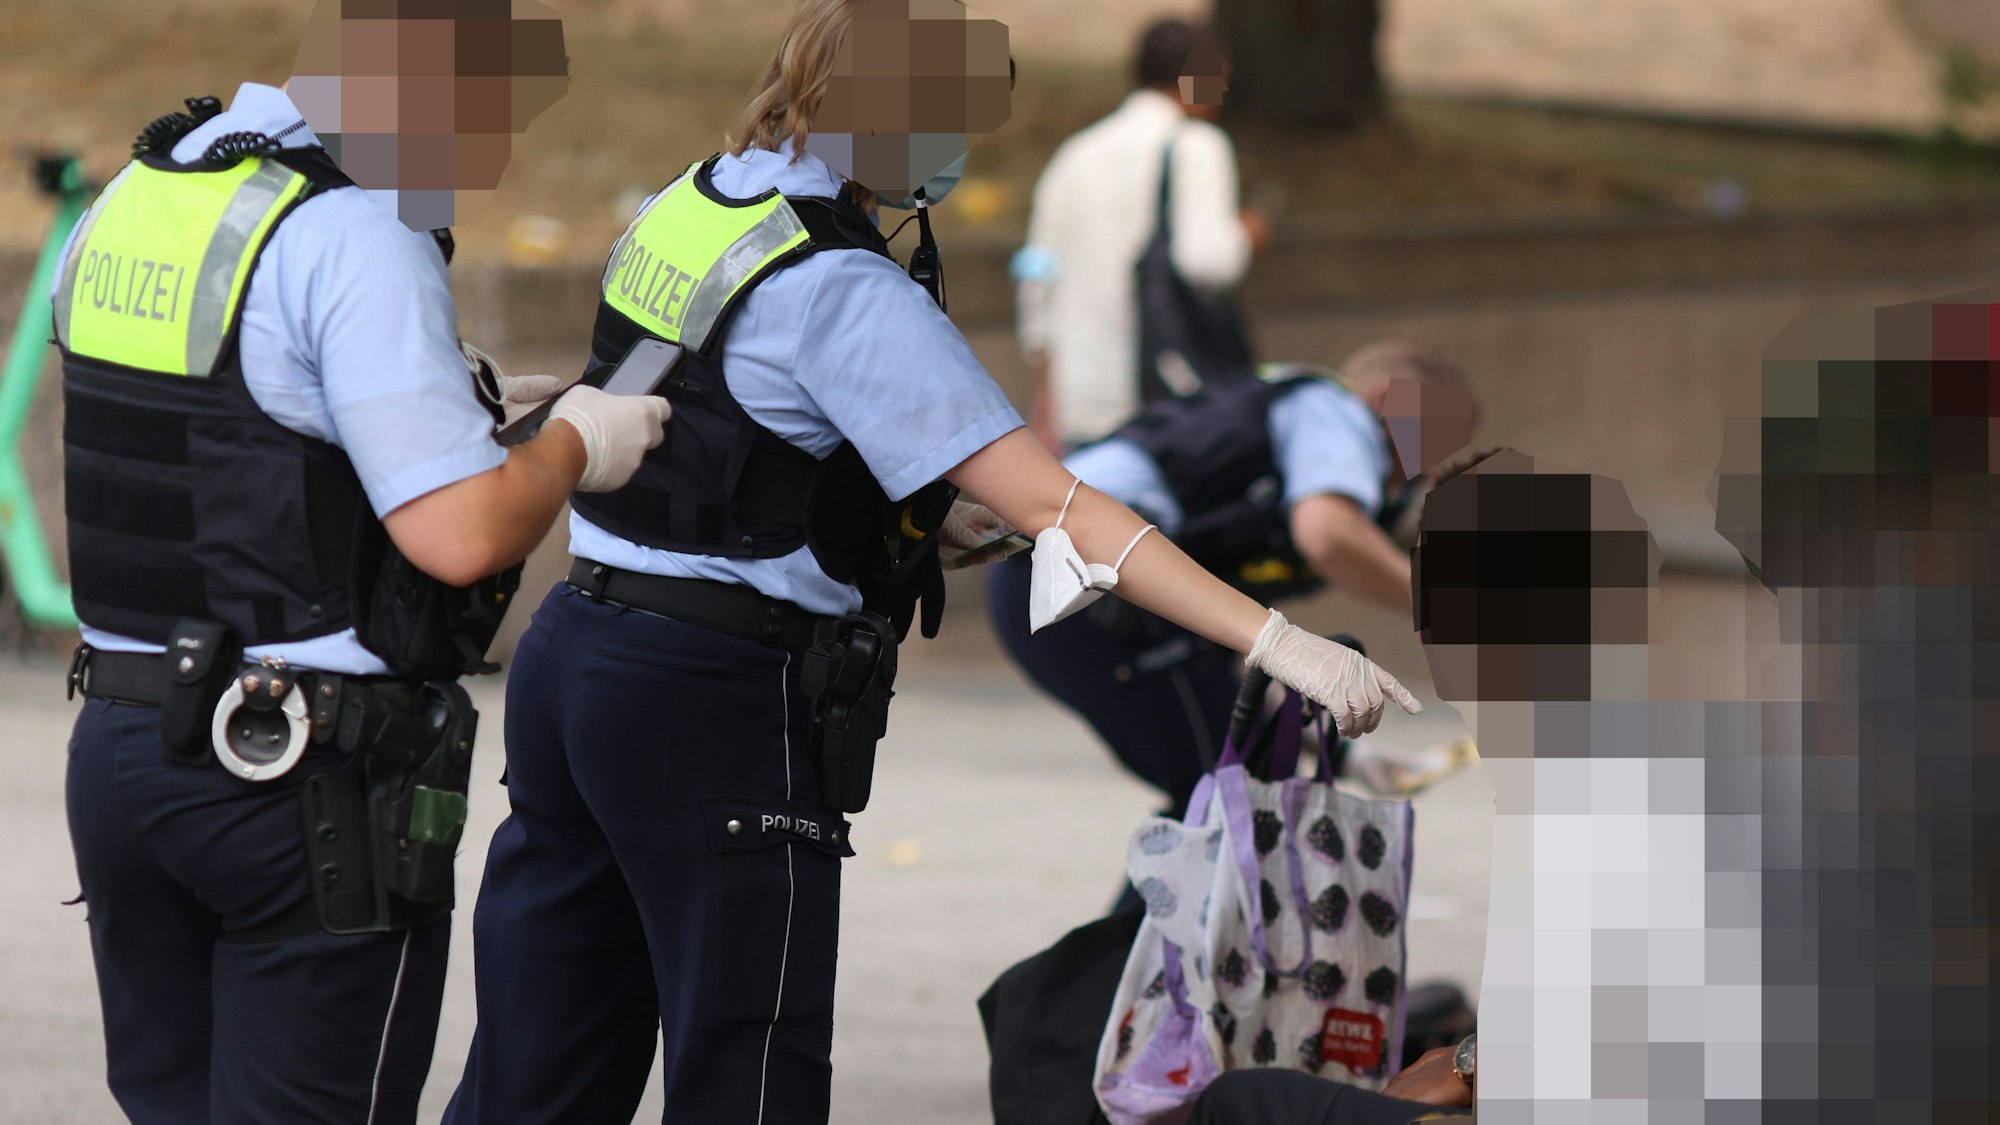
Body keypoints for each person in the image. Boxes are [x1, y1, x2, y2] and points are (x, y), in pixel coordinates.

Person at [442, 3, 1423, 1122]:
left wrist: (889, 522)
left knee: (540, 1062)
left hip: (580, 660)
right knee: (746, 1073)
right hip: (714, 701)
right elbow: (1057, 503)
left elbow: (717, 422)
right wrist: (1277, 640)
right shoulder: (847, 286)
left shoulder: (699, 199)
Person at [53, 23, 670, 1125]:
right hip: (299, 780)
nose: (495, 153)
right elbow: (461, 537)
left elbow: (229, 429)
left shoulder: (138, 192)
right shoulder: (353, 230)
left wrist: (471, 411)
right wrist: (577, 440)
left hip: (123, 747)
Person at [990, 341, 1475, 826]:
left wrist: (1349, 758)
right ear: (1385, 401)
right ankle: (1170, 905)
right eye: (1431, 441)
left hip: (1063, 584)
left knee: (1238, 790)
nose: (1426, 472)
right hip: (1080, 581)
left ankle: (1179, 903)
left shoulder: (1269, 456)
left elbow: (1226, 659)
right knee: (1233, 795)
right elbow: (1329, 533)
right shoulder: (1333, 411)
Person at [1016, 19, 1271, 452]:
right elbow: (1208, 262)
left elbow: (1036, 270)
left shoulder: (1075, 154)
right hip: (1167, 401)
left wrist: (1047, 391)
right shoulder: (1198, 145)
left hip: (1081, 399)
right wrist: (1247, 235)